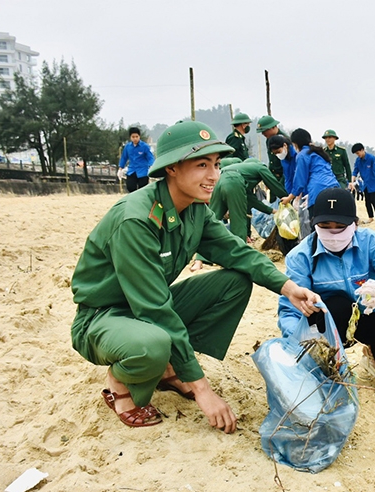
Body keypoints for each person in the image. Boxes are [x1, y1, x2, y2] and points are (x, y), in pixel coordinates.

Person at [71, 120, 320, 432]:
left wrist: (287, 287)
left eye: (216, 164)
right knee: (153, 343)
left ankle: (168, 368)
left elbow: (237, 252)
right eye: (202, 165)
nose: (214, 175)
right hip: (103, 317)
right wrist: (203, 389)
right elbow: (155, 309)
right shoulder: (136, 219)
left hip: (146, 309)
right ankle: (120, 385)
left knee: (234, 282)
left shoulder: (194, 208)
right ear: (172, 168)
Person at [278, 187, 375, 385]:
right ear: (314, 224)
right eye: (325, 225)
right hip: (328, 324)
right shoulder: (300, 256)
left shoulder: (372, 242)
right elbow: (290, 311)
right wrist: (298, 344)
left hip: (367, 313)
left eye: (340, 226)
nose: (333, 232)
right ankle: (326, 367)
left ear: (355, 224)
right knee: (338, 304)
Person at [286, 128, 341, 208]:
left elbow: (300, 181)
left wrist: (289, 198)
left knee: (318, 219)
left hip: (318, 190)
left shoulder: (302, 155)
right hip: (334, 187)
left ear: (296, 144)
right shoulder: (319, 153)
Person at [266, 134, 300, 256]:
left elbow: (300, 177)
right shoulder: (284, 160)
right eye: (275, 153)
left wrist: (296, 195)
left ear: (285, 146)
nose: (277, 155)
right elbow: (288, 179)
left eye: (278, 151)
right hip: (293, 193)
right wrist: (289, 195)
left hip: (303, 191)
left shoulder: (297, 156)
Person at [351, 143, 375, 225]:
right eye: (356, 154)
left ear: (362, 150)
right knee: (367, 201)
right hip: (365, 183)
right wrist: (352, 182)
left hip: (373, 182)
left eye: (358, 153)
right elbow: (355, 171)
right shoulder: (358, 160)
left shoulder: (371, 158)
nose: (358, 155)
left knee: (373, 200)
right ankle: (370, 217)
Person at [118, 127, 155, 193]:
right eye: (133, 137)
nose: (135, 138)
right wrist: (120, 168)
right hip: (132, 170)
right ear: (130, 137)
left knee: (143, 190)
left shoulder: (145, 146)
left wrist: (151, 166)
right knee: (130, 187)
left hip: (143, 171)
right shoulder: (127, 147)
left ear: (139, 136)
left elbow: (150, 157)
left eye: (136, 136)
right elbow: (124, 158)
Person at [256, 115, 287, 185]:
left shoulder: (283, 140)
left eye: (264, 131)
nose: (263, 134)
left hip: (283, 178)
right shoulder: (269, 140)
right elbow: (272, 161)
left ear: (273, 127)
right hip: (274, 177)